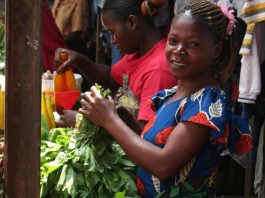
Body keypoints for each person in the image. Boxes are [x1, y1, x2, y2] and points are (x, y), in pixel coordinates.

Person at [78, 1, 253, 197]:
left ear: (216, 50)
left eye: (193, 44)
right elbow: (158, 144)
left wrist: (110, 121)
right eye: (173, 41)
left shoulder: (208, 104)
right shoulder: (172, 95)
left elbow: (163, 164)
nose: (178, 50)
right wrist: (123, 118)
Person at [55, 0, 178, 130]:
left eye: (113, 32)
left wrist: (84, 121)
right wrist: (78, 59)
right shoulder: (137, 54)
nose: (113, 41)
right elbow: (110, 78)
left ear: (132, 22)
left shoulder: (157, 70)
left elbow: (145, 135)